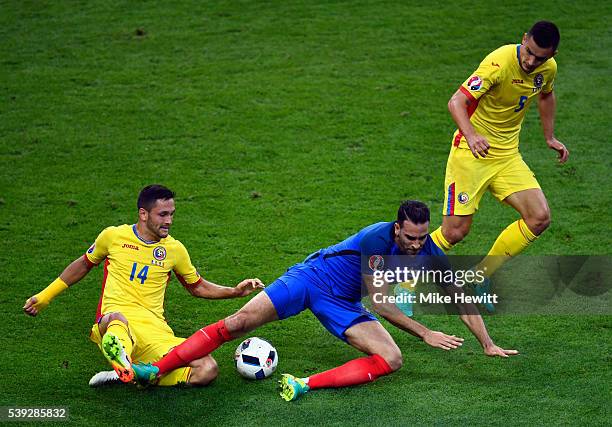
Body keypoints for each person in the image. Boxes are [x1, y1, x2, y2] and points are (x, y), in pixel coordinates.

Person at [131, 200, 517, 401]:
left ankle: (302, 384)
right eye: (410, 237)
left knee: (392, 359)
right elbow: (381, 304)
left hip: (343, 302)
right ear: (398, 227)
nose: (416, 244)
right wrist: (425, 331)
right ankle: (155, 369)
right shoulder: (376, 239)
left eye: (422, 237)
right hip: (310, 279)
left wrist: (488, 343)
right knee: (238, 323)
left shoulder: (428, 250)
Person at [23, 184, 264, 387]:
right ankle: (123, 359)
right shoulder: (113, 237)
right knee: (116, 319)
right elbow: (84, 264)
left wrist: (235, 291)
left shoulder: (174, 249)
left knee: (208, 369)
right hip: (115, 323)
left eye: (172, 214)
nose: (169, 221)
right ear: (143, 214)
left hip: (156, 332)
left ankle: (129, 372)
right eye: (163, 214)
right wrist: (46, 296)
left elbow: (197, 287)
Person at [429, 21, 569, 310]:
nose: (531, 62)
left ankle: (479, 277)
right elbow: (456, 102)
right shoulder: (498, 63)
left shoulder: (548, 68)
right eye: (528, 52)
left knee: (539, 217)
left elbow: (546, 95)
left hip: (506, 156)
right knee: (454, 232)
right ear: (523, 39)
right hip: (471, 153)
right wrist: (472, 135)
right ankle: (402, 283)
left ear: (552, 54)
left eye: (540, 57)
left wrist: (550, 136)